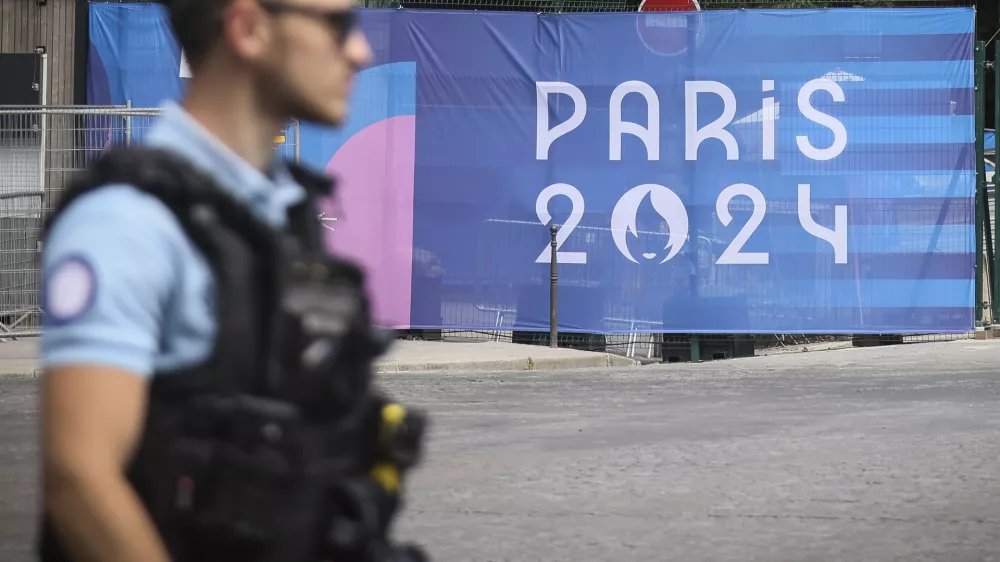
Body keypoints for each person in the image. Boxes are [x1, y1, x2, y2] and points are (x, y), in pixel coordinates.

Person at [36, 1, 426, 561]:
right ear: (248, 28)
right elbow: (80, 479)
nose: (359, 52)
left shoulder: (283, 216)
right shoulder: (128, 223)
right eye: (336, 25)